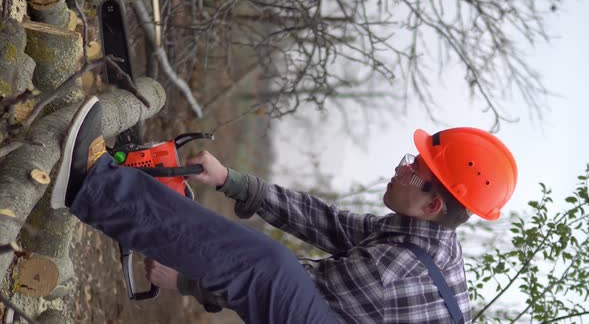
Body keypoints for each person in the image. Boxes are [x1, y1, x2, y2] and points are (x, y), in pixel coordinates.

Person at [52, 96, 518, 323]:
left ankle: (90, 185)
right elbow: (328, 223)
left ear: (434, 202)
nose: (399, 169)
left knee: (268, 267)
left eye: (414, 169)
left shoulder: (394, 270)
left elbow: (271, 288)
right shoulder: (418, 237)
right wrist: (232, 181)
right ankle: (108, 190)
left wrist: (188, 280)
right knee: (267, 267)